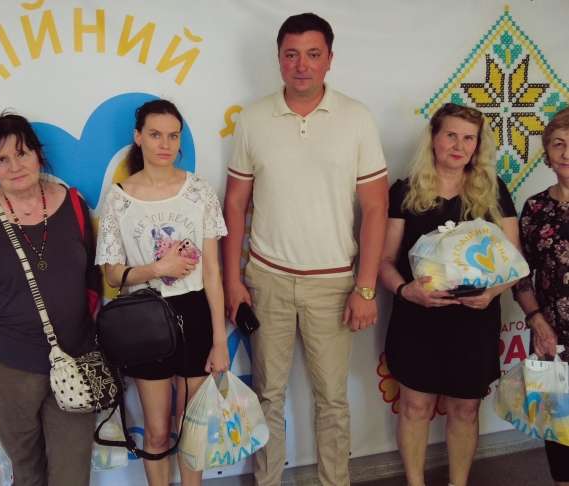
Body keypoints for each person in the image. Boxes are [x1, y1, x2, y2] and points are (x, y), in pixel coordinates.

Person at [222, 12, 388, 486]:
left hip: (333, 284)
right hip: (266, 280)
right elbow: (235, 204)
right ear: (278, 59)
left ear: (329, 59)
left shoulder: (357, 118)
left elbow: (375, 208)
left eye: (313, 54)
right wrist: (233, 280)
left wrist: (366, 288)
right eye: (291, 54)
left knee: (332, 399)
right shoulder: (253, 118)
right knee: (267, 397)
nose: (302, 65)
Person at [0, 113, 100, 486]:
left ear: (38, 155)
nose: (15, 167)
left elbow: (92, 279)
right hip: (1, 367)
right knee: (22, 471)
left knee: (72, 471)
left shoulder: (74, 204)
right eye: (2, 159)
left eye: (22, 153)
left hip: (73, 358)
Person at [378, 103, 519, 486]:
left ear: (478, 145)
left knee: (465, 410)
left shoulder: (494, 191)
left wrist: (491, 294)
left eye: (468, 138)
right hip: (417, 319)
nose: (459, 146)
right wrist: (406, 291)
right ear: (434, 139)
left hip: (474, 321)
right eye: (451, 135)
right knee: (415, 407)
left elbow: (514, 262)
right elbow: (384, 261)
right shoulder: (405, 191)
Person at [96, 99, 229, 486]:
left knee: (192, 427)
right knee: (156, 432)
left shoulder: (199, 191)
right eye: (155, 135)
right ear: (138, 137)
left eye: (173, 136)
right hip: (144, 318)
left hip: (195, 312)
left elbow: (213, 271)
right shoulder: (119, 197)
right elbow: (112, 274)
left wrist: (219, 339)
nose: (165, 144)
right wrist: (157, 269)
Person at [514, 106, 569, 486]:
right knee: (559, 425)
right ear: (547, 152)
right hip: (553, 336)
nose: (566, 153)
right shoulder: (535, 208)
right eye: (558, 144)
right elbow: (521, 275)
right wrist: (536, 320)